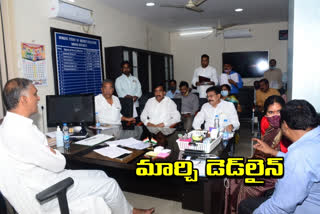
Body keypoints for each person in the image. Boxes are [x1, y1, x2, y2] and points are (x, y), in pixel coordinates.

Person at [0, 78, 154, 214]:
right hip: (46, 189)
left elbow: (40, 154)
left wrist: (48, 150)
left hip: (44, 179)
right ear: (23, 100)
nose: (38, 98)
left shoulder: (9, 126)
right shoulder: (22, 133)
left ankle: (128, 210)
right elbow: (59, 163)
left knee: (100, 174)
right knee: (110, 184)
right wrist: (52, 152)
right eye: (34, 94)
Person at [239, 100, 320, 214]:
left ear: (285, 125)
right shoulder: (314, 139)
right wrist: (272, 152)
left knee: (246, 204)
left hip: (305, 207)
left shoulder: (299, 154)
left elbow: (280, 207)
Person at [224, 95, 290, 214]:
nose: (275, 116)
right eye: (271, 112)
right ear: (265, 114)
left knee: (247, 184)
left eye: (279, 111)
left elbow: (289, 160)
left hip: (281, 170)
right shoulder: (266, 123)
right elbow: (264, 147)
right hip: (265, 162)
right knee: (232, 171)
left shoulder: (290, 129)